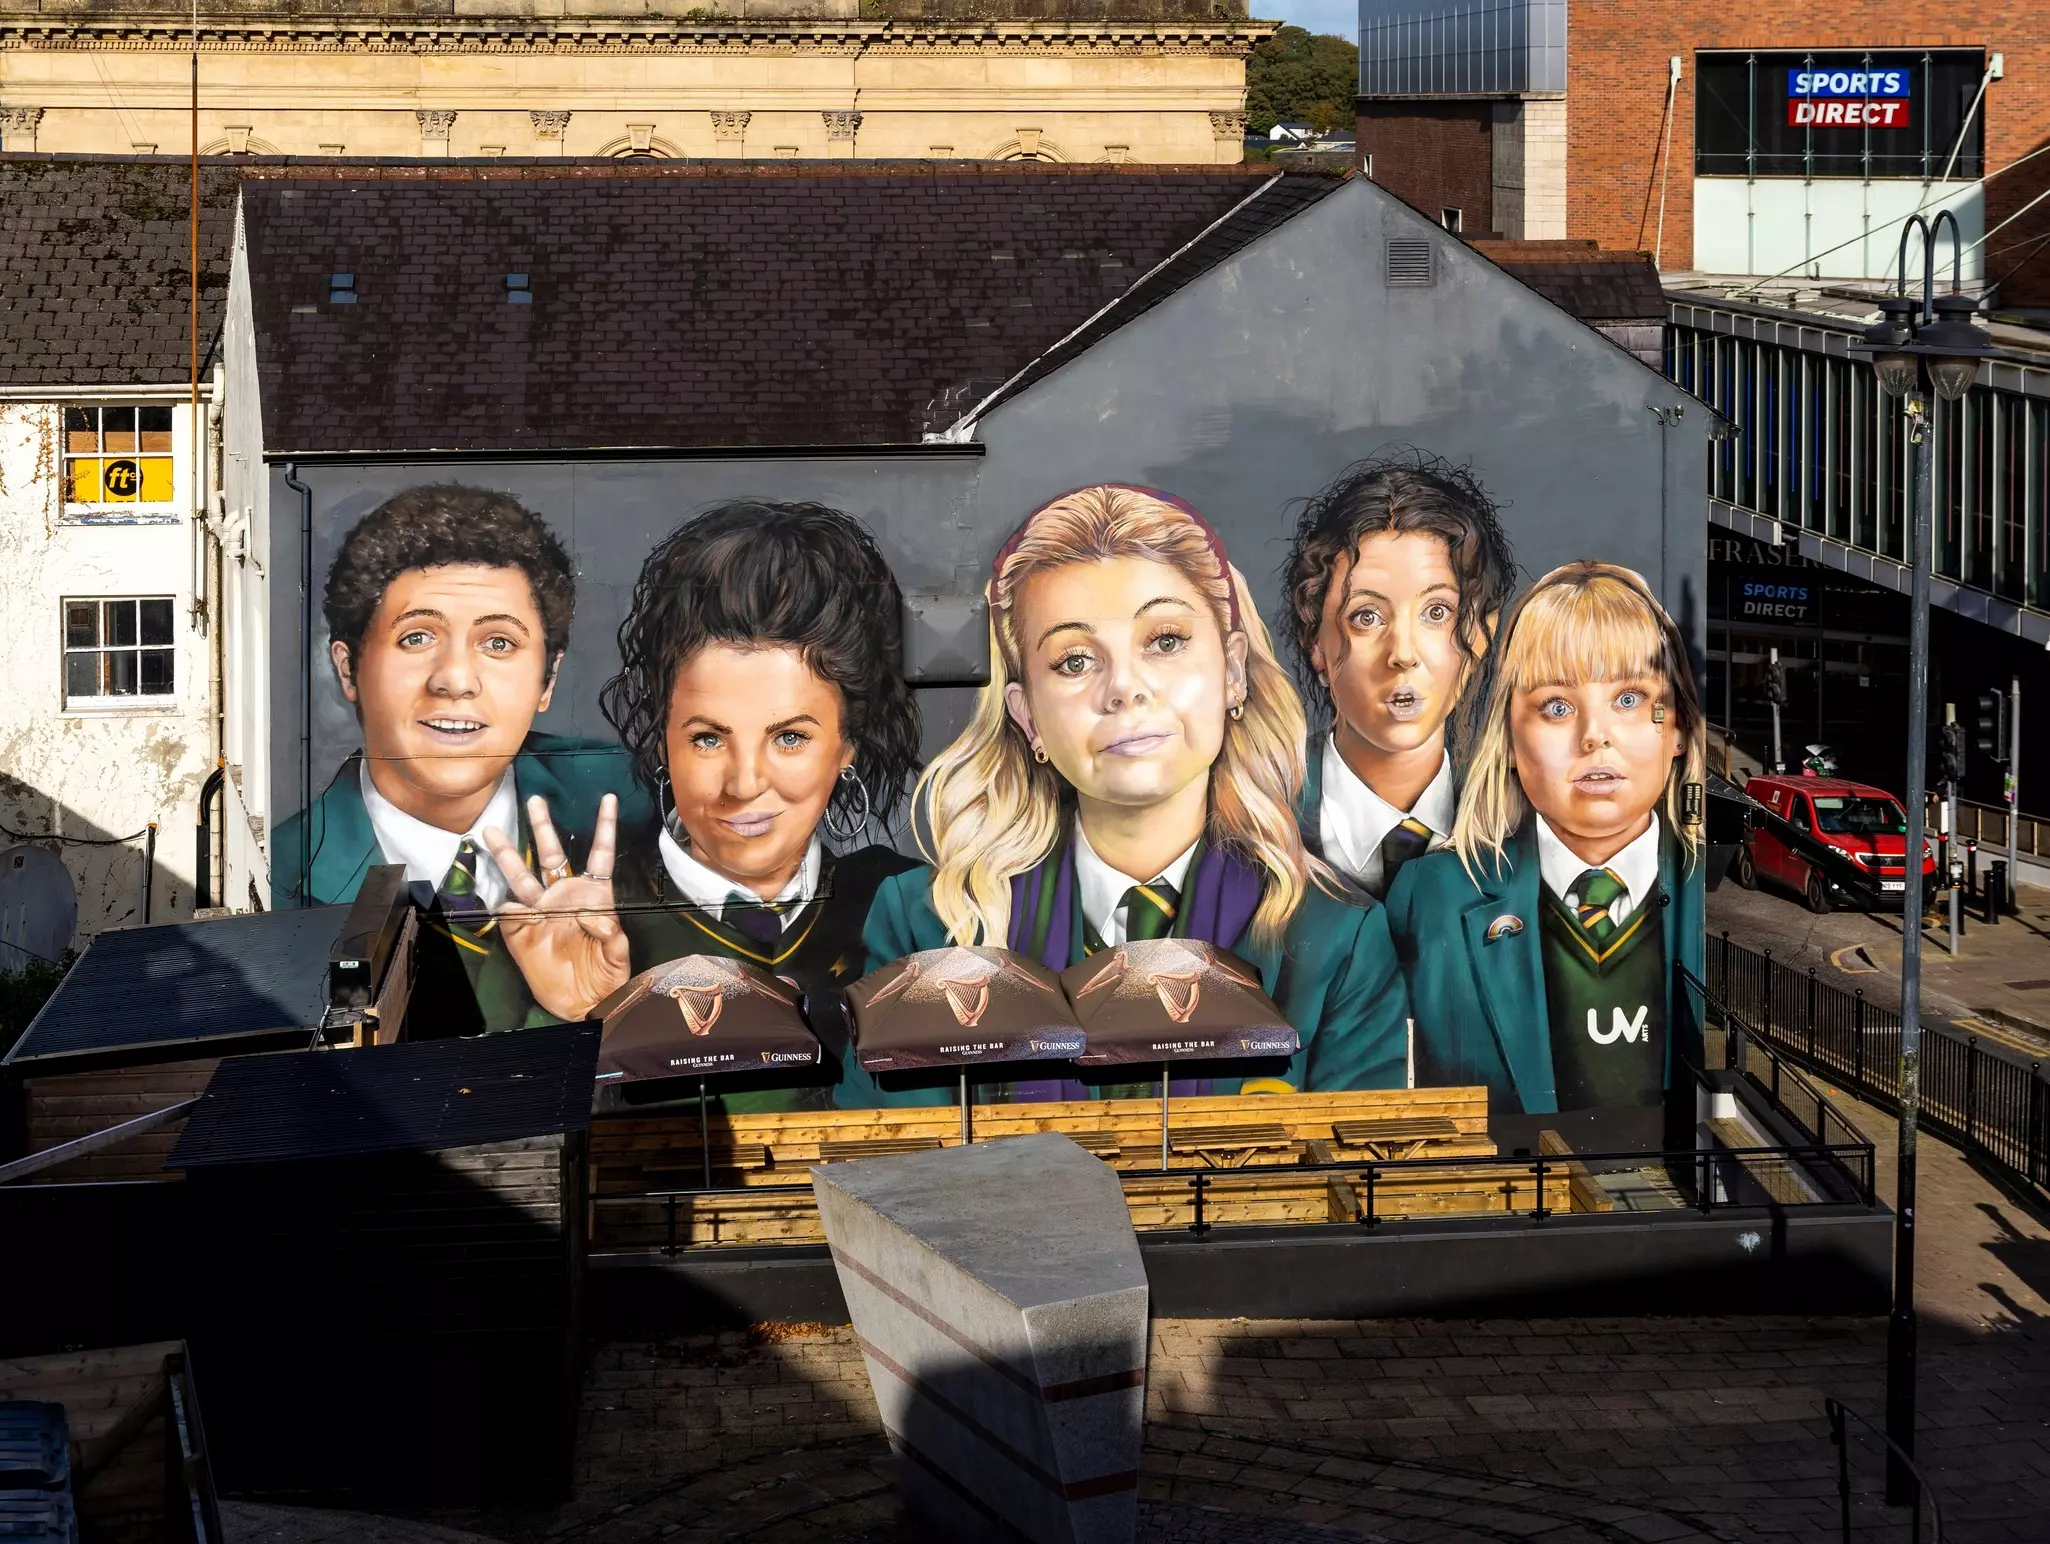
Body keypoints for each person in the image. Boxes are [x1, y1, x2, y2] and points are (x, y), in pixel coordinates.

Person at [850, 483, 1410, 1107]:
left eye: (1165, 641)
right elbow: (895, 1155)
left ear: (1231, 672)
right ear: (1027, 715)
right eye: (1074, 660)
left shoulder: (1337, 937)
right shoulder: (926, 921)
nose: (1123, 688)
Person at [482, 501, 922, 1112]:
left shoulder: (909, 907)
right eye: (708, 739)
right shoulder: (564, 933)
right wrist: (573, 1016)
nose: (744, 784)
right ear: (663, 738)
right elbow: (505, 1151)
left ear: (846, 745)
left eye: (789, 737)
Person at [274, 484, 648, 1033]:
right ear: (349, 668)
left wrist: (586, 1009)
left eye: (498, 643)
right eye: (416, 637)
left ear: (548, 679)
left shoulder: (643, 799)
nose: (455, 679)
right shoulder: (282, 870)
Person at [1382, 561, 1705, 1119]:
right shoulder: (1430, 895)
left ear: (1677, 728)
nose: (1594, 736)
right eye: (1557, 707)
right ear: (1509, 736)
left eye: (1629, 699)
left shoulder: (1704, 894)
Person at [1281, 453, 1516, 900]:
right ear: (1316, 644)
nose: (1403, 655)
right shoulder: (1253, 818)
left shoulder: (1523, 824)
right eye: (1366, 616)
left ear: (1480, 635)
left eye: (1437, 612)